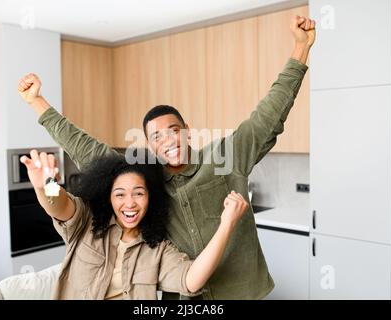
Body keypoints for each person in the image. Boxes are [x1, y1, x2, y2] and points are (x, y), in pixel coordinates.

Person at [18, 15, 316, 299]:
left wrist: (300, 48)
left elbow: (269, 115)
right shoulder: (145, 180)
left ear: (187, 131)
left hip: (242, 293)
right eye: (157, 137)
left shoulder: (226, 157)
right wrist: (38, 103)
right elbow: (85, 148)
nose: (169, 141)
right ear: (149, 145)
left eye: (174, 130)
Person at [20, 150, 248, 299]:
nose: (129, 204)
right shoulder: (85, 222)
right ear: (108, 197)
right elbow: (60, 206)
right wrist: (46, 185)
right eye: (120, 195)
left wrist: (226, 224)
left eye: (139, 193)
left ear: (151, 198)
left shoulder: (157, 249)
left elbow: (191, 280)